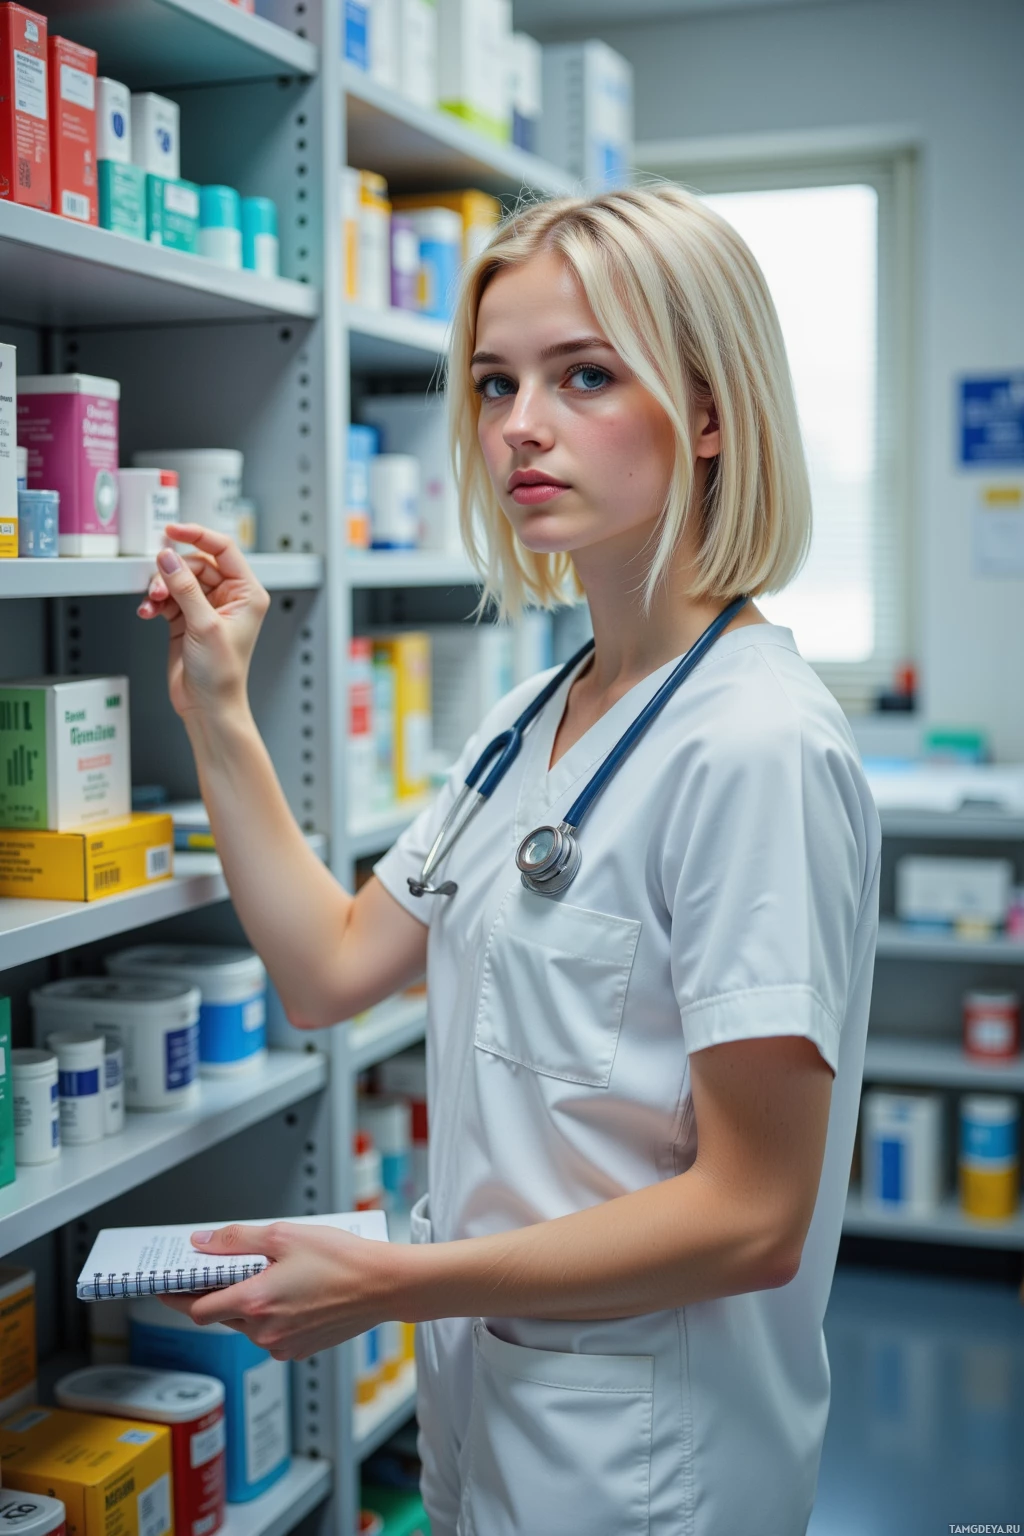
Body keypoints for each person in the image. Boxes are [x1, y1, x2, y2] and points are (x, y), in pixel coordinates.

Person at [139, 185, 881, 1536]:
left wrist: (392, 1281)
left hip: (652, 1467)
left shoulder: (757, 748)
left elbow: (755, 1214)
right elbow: (327, 967)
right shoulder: (528, 719)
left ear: (711, 413)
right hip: (495, 1417)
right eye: (494, 383)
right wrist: (219, 707)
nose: (520, 426)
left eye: (584, 374)